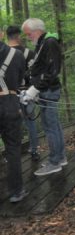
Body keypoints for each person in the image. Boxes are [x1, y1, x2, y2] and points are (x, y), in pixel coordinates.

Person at [21, 18, 66, 176]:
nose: (27, 37)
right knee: (54, 126)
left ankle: (55, 162)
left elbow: (52, 71)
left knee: (50, 127)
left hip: (49, 91)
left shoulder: (50, 42)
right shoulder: (42, 43)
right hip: (46, 90)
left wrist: (34, 89)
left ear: (37, 31)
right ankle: (60, 157)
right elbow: (39, 68)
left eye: (28, 34)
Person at [0, 38, 28, 202]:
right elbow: (20, 81)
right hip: (10, 103)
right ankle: (16, 191)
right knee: (13, 149)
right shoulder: (16, 54)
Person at [6, 25, 40, 162]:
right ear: (18, 36)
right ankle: (34, 151)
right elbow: (35, 74)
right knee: (30, 123)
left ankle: (12, 154)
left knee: (10, 126)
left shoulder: (3, 53)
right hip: (27, 94)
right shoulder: (29, 53)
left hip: (8, 96)